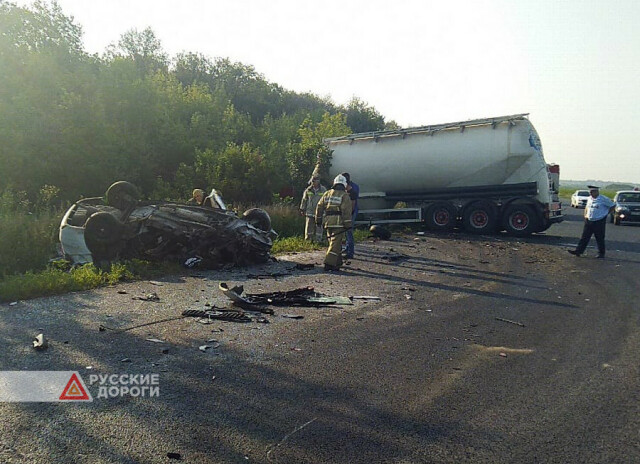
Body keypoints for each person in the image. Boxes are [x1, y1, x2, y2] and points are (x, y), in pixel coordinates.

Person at [315, 175, 353, 271]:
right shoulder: (344, 195)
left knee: (334, 243)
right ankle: (329, 263)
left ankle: (337, 263)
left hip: (327, 222)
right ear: (344, 184)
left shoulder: (327, 193)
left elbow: (319, 207)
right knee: (335, 243)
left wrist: (318, 220)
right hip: (339, 223)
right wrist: (348, 224)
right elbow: (346, 211)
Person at [568, 185, 615, 258]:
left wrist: (605, 214)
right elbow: (587, 207)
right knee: (584, 237)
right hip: (589, 220)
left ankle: (601, 253)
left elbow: (613, 205)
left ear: (596, 192)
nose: (590, 193)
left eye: (592, 192)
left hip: (599, 220)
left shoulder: (603, 199)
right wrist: (585, 215)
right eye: (590, 192)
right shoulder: (589, 198)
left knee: (599, 238)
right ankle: (578, 251)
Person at [299, 175, 327, 242]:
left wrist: (326, 210)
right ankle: (308, 240)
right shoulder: (308, 190)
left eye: (315, 181)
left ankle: (318, 240)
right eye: (312, 181)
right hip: (310, 212)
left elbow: (326, 201)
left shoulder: (323, 190)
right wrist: (302, 209)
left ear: (318, 181)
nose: (313, 183)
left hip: (320, 212)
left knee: (319, 227)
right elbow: (304, 200)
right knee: (309, 227)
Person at [341, 172, 359, 259]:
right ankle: (347, 248)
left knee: (349, 231)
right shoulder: (346, 186)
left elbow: (353, 201)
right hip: (347, 211)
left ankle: (350, 252)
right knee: (346, 231)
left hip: (352, 212)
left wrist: (350, 214)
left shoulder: (353, 187)